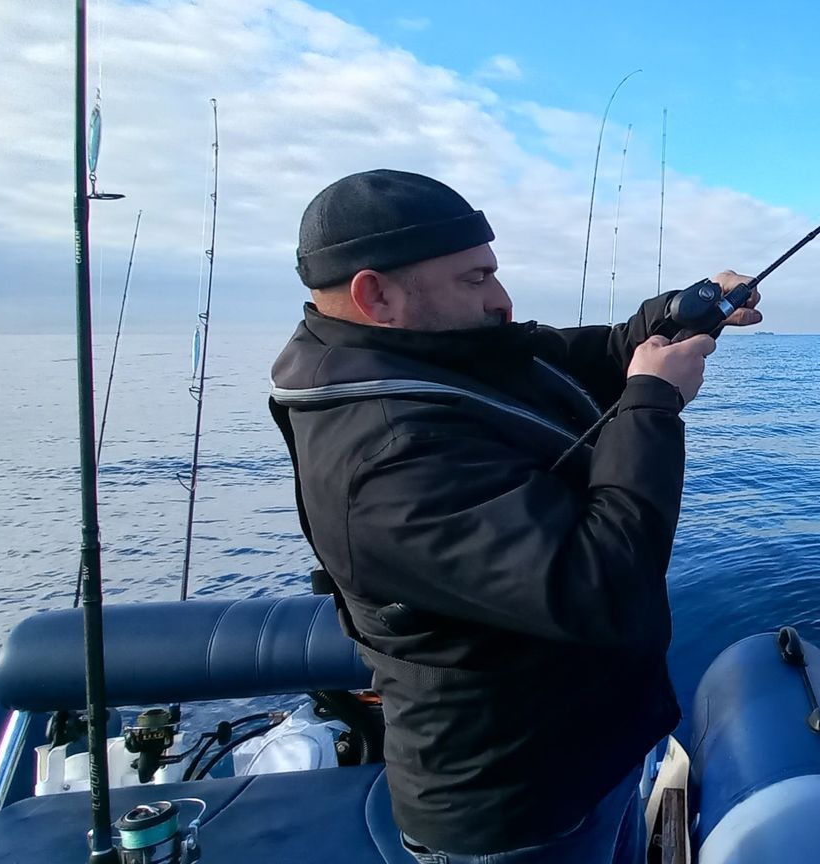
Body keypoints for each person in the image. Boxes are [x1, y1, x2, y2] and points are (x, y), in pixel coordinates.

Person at [266, 169, 760, 862]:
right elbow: (604, 585)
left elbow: (595, 354)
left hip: (591, 757)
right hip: (518, 812)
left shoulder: (450, 350)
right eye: (473, 279)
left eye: (493, 273)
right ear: (374, 294)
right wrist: (651, 405)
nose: (500, 300)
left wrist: (683, 310)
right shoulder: (381, 459)